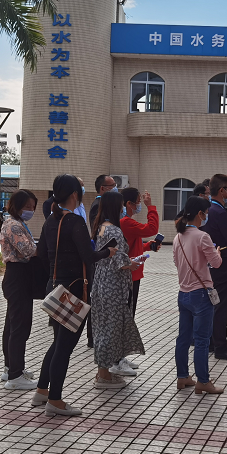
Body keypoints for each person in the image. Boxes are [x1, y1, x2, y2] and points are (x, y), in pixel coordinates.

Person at [33, 174, 116, 416]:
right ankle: (55, 400)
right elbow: (88, 256)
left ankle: (42, 390)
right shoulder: (74, 221)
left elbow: (41, 254)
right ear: (74, 194)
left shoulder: (50, 221)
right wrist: (108, 252)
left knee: (58, 342)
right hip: (74, 290)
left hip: (55, 288)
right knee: (64, 347)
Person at [90, 190, 145, 389]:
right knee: (109, 329)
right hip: (112, 284)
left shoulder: (101, 227)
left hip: (101, 282)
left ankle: (103, 372)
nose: (123, 209)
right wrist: (131, 264)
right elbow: (117, 260)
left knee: (103, 326)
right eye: (121, 205)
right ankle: (104, 375)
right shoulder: (114, 230)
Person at [174, 196, 224, 394]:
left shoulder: (178, 237)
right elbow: (216, 263)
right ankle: (203, 381)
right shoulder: (202, 236)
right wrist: (217, 253)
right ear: (200, 214)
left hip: (183, 293)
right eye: (206, 213)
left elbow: (176, 262)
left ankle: (182, 376)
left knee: (183, 338)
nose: (207, 216)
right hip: (201, 294)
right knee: (202, 340)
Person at [0, 189, 41, 390]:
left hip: (19, 276)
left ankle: (11, 368)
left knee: (13, 324)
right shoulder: (13, 225)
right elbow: (28, 250)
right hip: (18, 276)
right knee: (19, 327)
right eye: (26, 207)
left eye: (32, 207)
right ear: (16, 206)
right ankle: (15, 376)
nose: (30, 210)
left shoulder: (17, 223)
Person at [119, 187, 160, 375]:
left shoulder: (127, 223)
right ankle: (117, 359)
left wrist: (148, 246)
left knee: (128, 317)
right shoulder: (126, 222)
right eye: (138, 202)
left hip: (133, 274)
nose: (139, 205)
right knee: (125, 318)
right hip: (129, 275)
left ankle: (120, 356)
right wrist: (151, 207)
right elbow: (151, 228)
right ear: (128, 204)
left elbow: (133, 245)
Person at [199, 173, 227, 361]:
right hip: (224, 264)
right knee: (223, 306)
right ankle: (221, 347)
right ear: (222, 190)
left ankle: (210, 342)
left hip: (210, 263)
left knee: (213, 304)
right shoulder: (219, 212)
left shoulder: (208, 210)